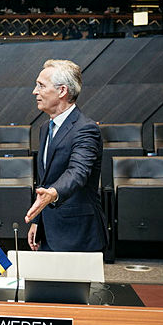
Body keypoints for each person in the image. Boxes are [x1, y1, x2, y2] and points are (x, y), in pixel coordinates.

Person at [25, 60, 107, 252]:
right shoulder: (46, 127)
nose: (34, 92)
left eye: (41, 85)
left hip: (77, 233)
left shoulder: (86, 129)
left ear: (62, 91)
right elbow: (46, 179)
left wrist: (53, 193)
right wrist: (37, 219)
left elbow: (77, 172)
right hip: (48, 231)